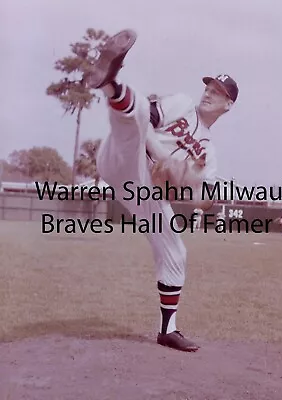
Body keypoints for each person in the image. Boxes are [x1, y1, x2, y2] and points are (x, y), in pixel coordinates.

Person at [85, 29, 239, 352]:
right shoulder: (183, 104)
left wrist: (185, 183)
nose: (209, 92)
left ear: (228, 105)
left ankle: (167, 329)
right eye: (209, 86)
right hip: (125, 157)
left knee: (176, 252)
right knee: (138, 113)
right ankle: (110, 81)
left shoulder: (209, 154)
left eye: (218, 91)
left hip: (145, 191)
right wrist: (165, 158)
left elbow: (204, 200)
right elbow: (148, 121)